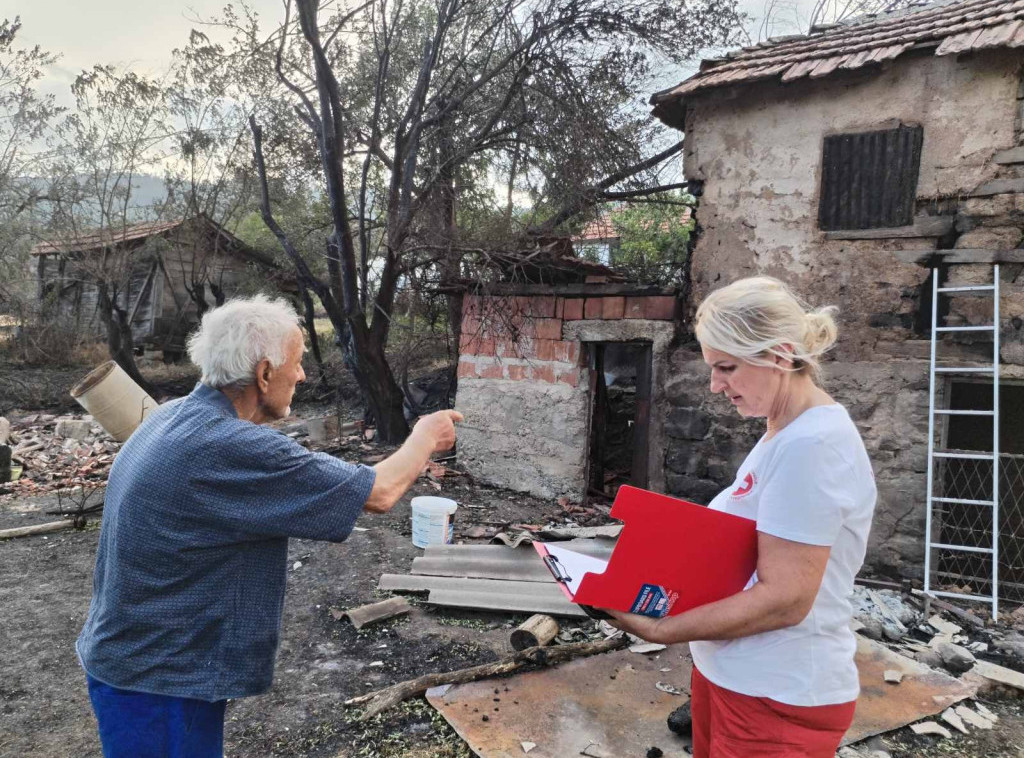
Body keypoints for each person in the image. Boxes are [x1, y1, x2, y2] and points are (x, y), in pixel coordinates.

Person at [77, 295, 463, 758]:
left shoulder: (172, 416)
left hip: (140, 663)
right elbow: (378, 493)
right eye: (296, 364)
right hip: (160, 682)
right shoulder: (227, 445)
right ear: (263, 374)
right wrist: (424, 438)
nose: (301, 375)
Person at [605, 277, 876, 758]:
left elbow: (785, 599)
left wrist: (663, 629)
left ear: (778, 354)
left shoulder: (812, 446)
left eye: (726, 367)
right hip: (736, 677)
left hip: (777, 696)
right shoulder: (783, 431)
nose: (714, 385)